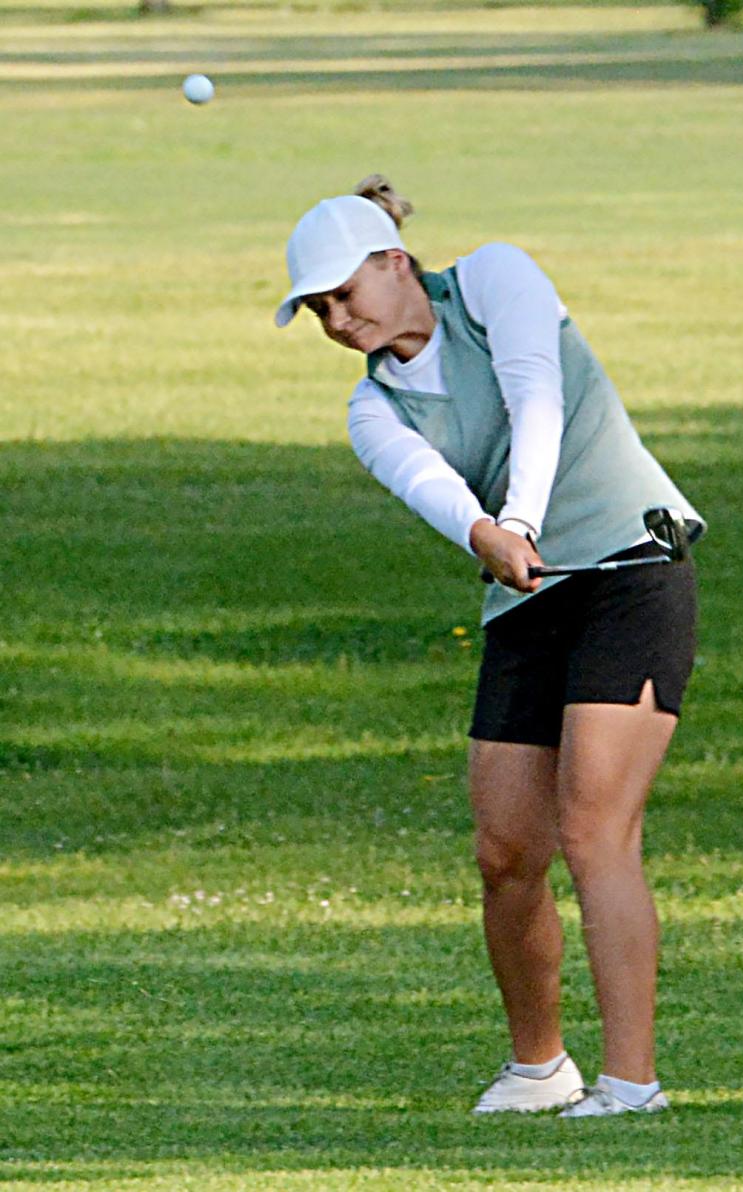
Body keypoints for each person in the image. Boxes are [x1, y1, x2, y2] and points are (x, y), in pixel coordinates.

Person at [275, 175, 705, 1118]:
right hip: (528, 594)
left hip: (633, 565)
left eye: (346, 294)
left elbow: (536, 397)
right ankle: (539, 1067)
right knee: (507, 848)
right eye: (318, 309)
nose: (338, 320)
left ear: (396, 262)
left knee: (596, 831)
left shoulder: (496, 280)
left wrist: (517, 517)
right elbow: (434, 490)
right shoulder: (372, 410)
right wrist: (487, 534)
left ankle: (632, 1086)